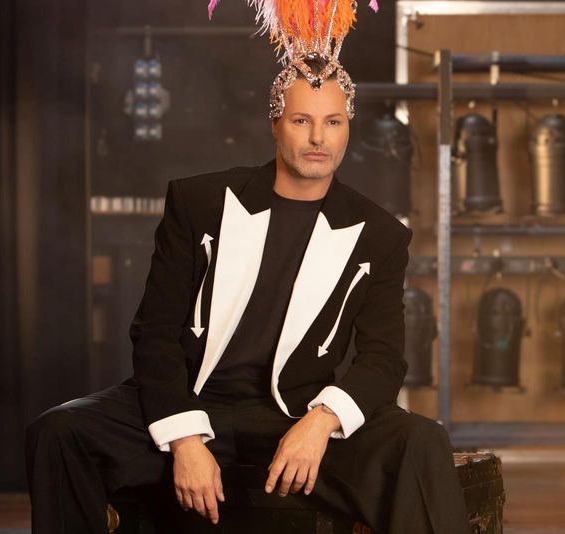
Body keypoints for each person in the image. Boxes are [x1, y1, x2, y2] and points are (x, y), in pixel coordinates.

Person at [25, 1, 470, 532]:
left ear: (347, 128)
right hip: (194, 398)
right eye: (302, 121)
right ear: (275, 124)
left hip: (295, 412)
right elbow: (156, 332)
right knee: (59, 432)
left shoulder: (379, 234)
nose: (318, 139)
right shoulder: (200, 202)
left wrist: (322, 422)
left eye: (332, 122)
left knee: (421, 441)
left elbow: (383, 358)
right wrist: (185, 437)